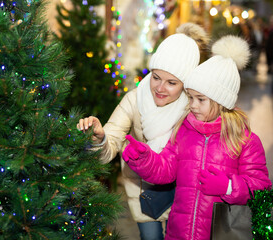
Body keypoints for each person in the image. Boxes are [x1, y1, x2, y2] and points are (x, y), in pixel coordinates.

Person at [122, 35, 272, 240]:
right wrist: (144, 159)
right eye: (191, 97)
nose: (192, 105)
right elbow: (166, 170)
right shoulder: (184, 130)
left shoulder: (244, 141)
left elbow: (261, 188)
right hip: (179, 233)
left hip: (220, 233)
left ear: (221, 101)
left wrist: (228, 186)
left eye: (200, 99)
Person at [77, 23, 209, 240]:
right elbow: (111, 140)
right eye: (156, 77)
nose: (159, 88)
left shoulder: (194, 108)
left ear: (185, 84)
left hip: (183, 194)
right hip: (143, 193)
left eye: (171, 82)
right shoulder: (134, 99)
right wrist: (100, 139)